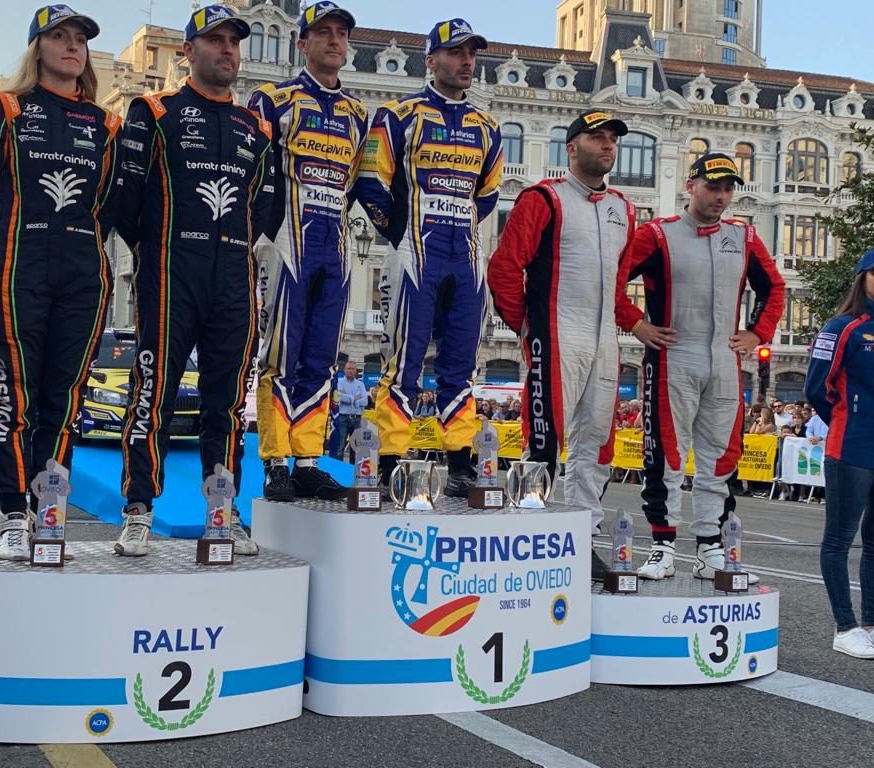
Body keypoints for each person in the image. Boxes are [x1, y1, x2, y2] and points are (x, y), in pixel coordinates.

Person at [113, 5, 272, 556]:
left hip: (233, 279)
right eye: (215, 40)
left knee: (225, 405)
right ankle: (138, 510)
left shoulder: (257, 127)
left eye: (234, 41)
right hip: (169, 275)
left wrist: (231, 248)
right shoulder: (154, 112)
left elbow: (265, 207)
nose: (227, 50)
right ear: (188, 51)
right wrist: (157, 247)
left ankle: (222, 512)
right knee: (152, 394)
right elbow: (124, 199)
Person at [0, 5, 122, 560]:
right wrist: (14, 247)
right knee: (16, 395)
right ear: (37, 47)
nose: (72, 46)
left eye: (79, 38)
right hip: (18, 268)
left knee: (65, 399)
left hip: (84, 274)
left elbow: (109, 206)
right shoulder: (5, 107)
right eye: (60, 36)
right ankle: (14, 513)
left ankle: (50, 510)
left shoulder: (106, 123)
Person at [616, 152, 785, 581]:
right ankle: (662, 546)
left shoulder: (745, 236)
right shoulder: (657, 233)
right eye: (713, 186)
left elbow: (774, 288)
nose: (721, 196)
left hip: (726, 360)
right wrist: (635, 323)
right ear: (690, 185)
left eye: (728, 189)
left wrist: (758, 333)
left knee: (721, 459)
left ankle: (711, 549)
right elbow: (612, 278)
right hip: (673, 356)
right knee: (666, 455)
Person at [355, 18, 502, 498]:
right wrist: (400, 233)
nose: (466, 61)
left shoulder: (488, 127)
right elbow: (370, 182)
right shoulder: (397, 115)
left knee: (463, 365)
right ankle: (387, 463)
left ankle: (460, 463)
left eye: (472, 53)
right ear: (431, 59)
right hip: (415, 256)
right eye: (456, 52)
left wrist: (460, 225)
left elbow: (488, 195)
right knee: (404, 361)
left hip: (466, 259)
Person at [489, 109, 634, 578]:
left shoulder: (624, 208)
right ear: (571, 148)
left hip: (605, 339)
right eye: (597, 137)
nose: (608, 145)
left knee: (598, 443)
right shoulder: (543, 198)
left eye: (612, 139)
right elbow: (505, 267)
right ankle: (529, 533)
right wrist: (525, 326)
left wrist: (633, 324)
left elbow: (620, 282)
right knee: (544, 438)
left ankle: (583, 537)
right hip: (557, 333)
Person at [250, 1, 368, 500]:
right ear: (302, 43)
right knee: (281, 354)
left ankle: (307, 460)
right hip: (286, 244)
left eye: (341, 33)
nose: (335, 41)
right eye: (323, 33)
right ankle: (276, 462)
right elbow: (254, 173)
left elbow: (359, 183)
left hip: (335, 248)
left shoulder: (358, 114)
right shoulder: (272, 101)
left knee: (321, 357)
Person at [805, 248, 874, 658]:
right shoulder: (842, 327)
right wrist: (847, 422)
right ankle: (845, 627)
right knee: (839, 540)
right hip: (850, 447)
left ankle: (871, 623)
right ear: (862, 277)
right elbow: (817, 388)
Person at [329, 361, 368, 461]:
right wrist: (355, 398)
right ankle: (338, 469)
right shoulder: (339, 382)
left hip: (357, 419)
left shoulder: (360, 384)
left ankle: (352, 469)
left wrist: (349, 398)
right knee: (340, 447)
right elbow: (339, 397)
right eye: (349, 368)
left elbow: (365, 401)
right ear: (344, 370)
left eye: (353, 369)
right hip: (342, 418)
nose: (351, 371)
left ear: (356, 371)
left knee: (356, 448)